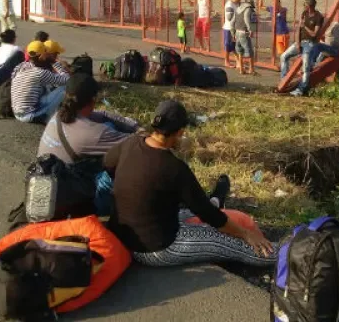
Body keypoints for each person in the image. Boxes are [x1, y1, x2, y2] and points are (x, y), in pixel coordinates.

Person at [105, 100, 276, 267]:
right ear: (179, 132)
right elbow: (209, 215)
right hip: (155, 248)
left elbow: (107, 164)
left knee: (187, 213)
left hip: (121, 234)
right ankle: (286, 254)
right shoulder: (174, 168)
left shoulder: (130, 143)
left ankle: (217, 202)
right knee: (233, 243)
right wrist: (246, 234)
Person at [37, 74, 140, 216]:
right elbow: (138, 145)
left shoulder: (58, 115)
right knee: (117, 166)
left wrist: (131, 125)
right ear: (92, 100)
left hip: (48, 184)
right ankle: (102, 214)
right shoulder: (95, 133)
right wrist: (140, 130)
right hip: (68, 195)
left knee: (108, 124)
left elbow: (102, 115)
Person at [11, 40, 70, 124]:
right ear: (41, 56)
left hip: (17, 112)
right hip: (31, 115)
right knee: (65, 88)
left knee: (46, 88)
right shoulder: (40, 72)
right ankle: (49, 118)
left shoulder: (21, 66)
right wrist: (54, 62)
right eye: (46, 52)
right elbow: (67, 79)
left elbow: (13, 78)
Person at [280, 0, 325, 97]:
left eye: (305, 5)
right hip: (301, 42)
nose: (303, 7)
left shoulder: (318, 17)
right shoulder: (304, 13)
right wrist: (297, 42)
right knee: (284, 56)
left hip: (310, 43)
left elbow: (314, 34)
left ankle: (301, 89)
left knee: (306, 67)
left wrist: (304, 26)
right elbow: (298, 30)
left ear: (309, 6)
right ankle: (284, 80)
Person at [232, 0, 257, 75]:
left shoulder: (237, 9)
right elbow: (246, 19)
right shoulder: (248, 9)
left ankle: (241, 69)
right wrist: (250, 30)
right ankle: (251, 69)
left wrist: (232, 33)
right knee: (250, 52)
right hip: (244, 32)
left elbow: (232, 21)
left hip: (237, 32)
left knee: (240, 51)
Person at [222, 0, 244, 67]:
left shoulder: (236, 3)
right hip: (229, 28)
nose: (239, 1)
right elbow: (229, 18)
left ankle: (238, 62)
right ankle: (227, 62)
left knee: (234, 45)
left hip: (235, 28)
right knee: (228, 46)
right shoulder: (229, 5)